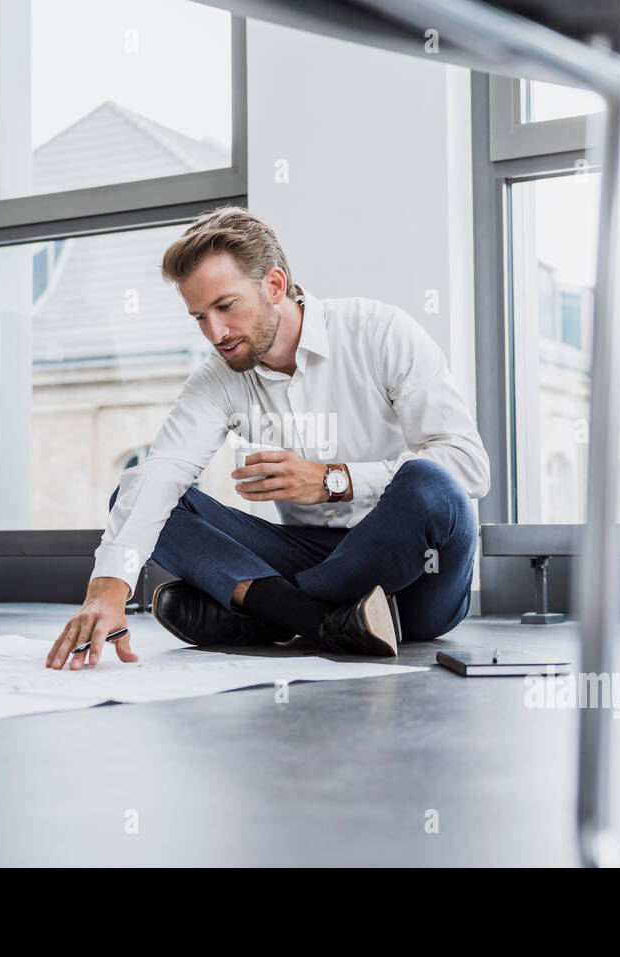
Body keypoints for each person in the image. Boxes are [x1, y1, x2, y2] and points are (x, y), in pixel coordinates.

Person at [46, 206, 489, 670]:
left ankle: (272, 613)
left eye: (224, 306)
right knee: (135, 489)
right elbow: (163, 476)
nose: (214, 333)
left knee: (430, 483)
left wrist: (333, 480)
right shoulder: (217, 380)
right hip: (307, 552)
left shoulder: (379, 332)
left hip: (414, 578)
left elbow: (469, 466)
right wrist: (107, 591)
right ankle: (320, 620)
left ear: (274, 286)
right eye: (199, 317)